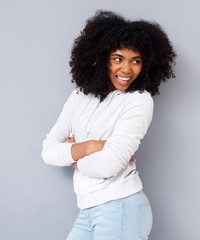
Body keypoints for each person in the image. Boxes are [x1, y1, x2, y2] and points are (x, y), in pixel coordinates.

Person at [41, 10, 176, 240]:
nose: (126, 69)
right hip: (88, 209)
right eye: (118, 59)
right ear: (102, 57)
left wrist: (72, 156)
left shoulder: (139, 100)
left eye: (136, 61)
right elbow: (48, 151)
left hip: (121, 208)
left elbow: (107, 166)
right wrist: (92, 146)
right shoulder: (80, 95)